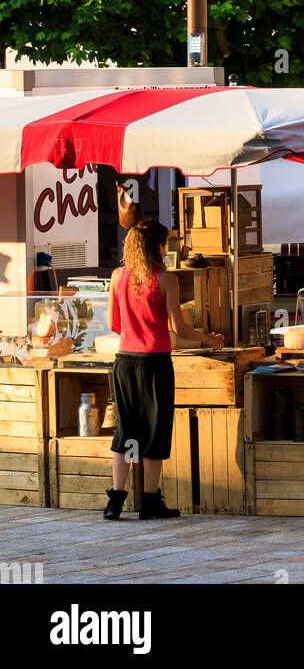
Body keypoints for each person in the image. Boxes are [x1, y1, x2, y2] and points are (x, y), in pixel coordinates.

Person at [104, 219, 224, 519]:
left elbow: (113, 325)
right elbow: (180, 328)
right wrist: (208, 337)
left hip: (124, 362)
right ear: (159, 246)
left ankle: (115, 501)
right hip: (155, 363)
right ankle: (149, 502)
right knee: (154, 434)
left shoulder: (118, 276)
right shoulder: (165, 279)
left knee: (128, 432)